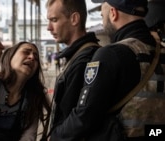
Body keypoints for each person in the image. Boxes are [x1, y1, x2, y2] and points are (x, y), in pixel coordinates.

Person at [48, 0, 159, 140]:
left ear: (113, 13)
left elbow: (84, 118)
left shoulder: (111, 55)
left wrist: (54, 137)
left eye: (102, 16)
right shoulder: (159, 50)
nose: (102, 21)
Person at [46, 0, 100, 140]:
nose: (49, 28)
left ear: (74, 19)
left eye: (54, 20)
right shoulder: (78, 55)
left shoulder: (84, 59)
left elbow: (78, 119)